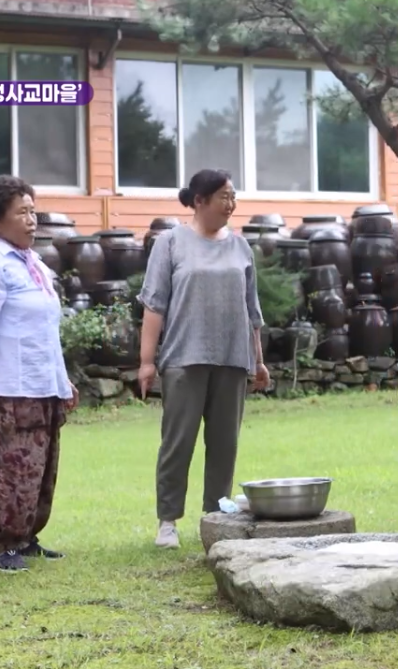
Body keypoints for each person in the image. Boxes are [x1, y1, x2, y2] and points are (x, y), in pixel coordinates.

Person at [137, 168, 270, 550]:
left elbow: (252, 311)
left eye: (233, 197)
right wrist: (147, 361)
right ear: (199, 201)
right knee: (177, 442)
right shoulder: (171, 243)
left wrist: (257, 360)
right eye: (223, 197)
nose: (231, 204)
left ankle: (215, 518)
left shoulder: (240, 247)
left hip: (232, 357)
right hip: (184, 356)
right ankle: (167, 521)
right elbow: (154, 304)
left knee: (224, 443)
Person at [0, 175, 79, 573]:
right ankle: (5, 545)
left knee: (41, 469)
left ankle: (28, 538)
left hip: (43, 385)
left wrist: (63, 381)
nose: (32, 220)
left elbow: (46, 332)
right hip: (9, 389)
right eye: (22, 213)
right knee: (11, 469)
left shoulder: (35, 265)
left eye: (33, 211)